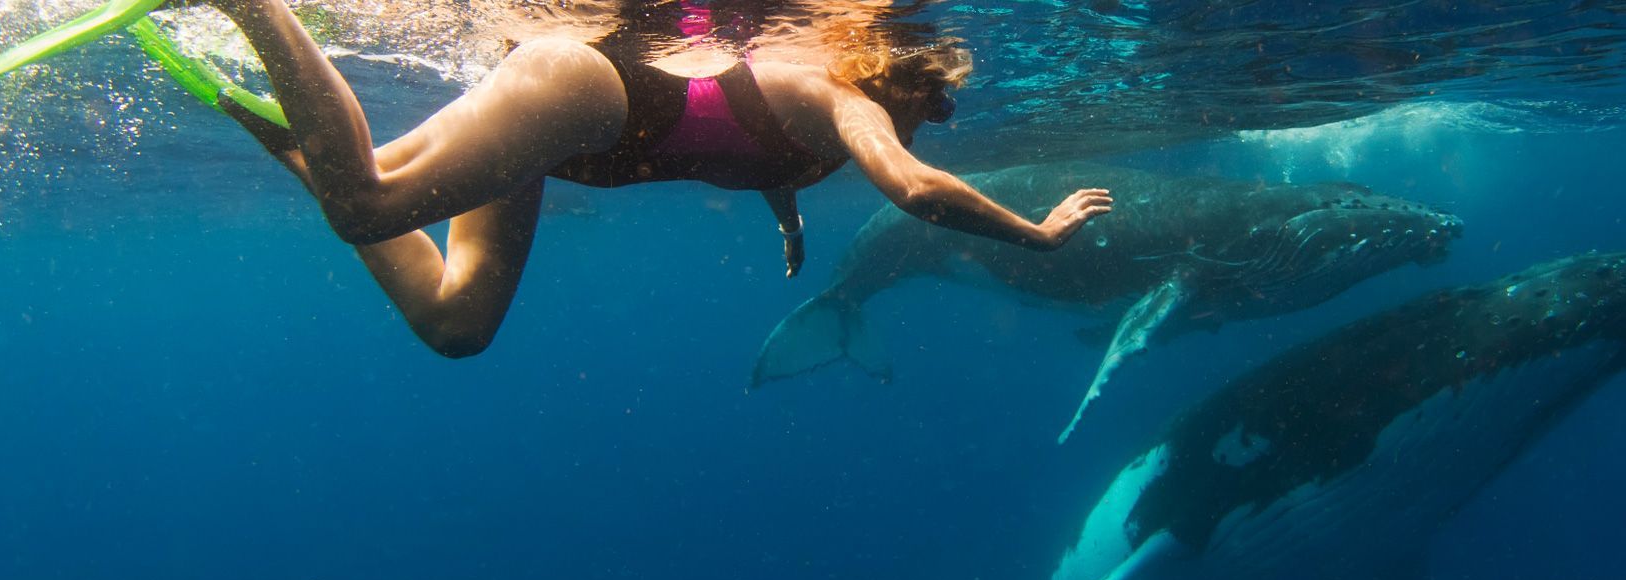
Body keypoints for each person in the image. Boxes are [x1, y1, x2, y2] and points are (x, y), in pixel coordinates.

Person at [199, 0, 1115, 358]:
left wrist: (787, 218)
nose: (935, 124)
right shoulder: (852, 105)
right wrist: (1033, 235)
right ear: (906, 79)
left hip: (564, 141)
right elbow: (915, 191)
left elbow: (756, 148)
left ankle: (280, 130)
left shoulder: (820, 121)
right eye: (940, 107)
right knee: (369, 203)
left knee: (457, 322)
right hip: (581, 94)